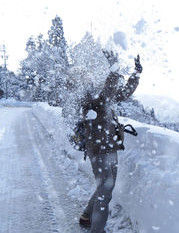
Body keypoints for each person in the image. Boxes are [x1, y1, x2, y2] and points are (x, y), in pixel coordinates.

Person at [78, 51, 142, 233]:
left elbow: (122, 93)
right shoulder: (89, 97)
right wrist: (114, 69)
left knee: (105, 187)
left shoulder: (102, 95)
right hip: (98, 149)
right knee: (105, 190)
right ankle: (97, 230)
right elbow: (109, 91)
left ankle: (86, 217)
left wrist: (136, 75)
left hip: (109, 146)